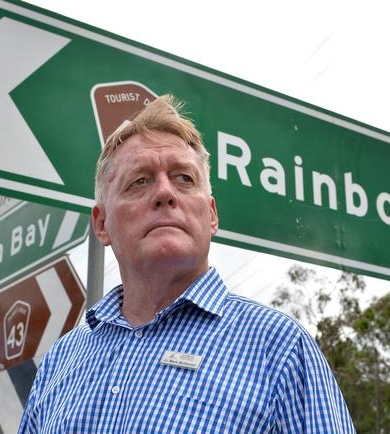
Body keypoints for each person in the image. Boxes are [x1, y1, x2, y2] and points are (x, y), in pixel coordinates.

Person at [18, 95, 355, 433]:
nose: (166, 193)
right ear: (102, 224)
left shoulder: (279, 348)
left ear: (211, 215)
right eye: (140, 181)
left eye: (184, 178)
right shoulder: (59, 363)